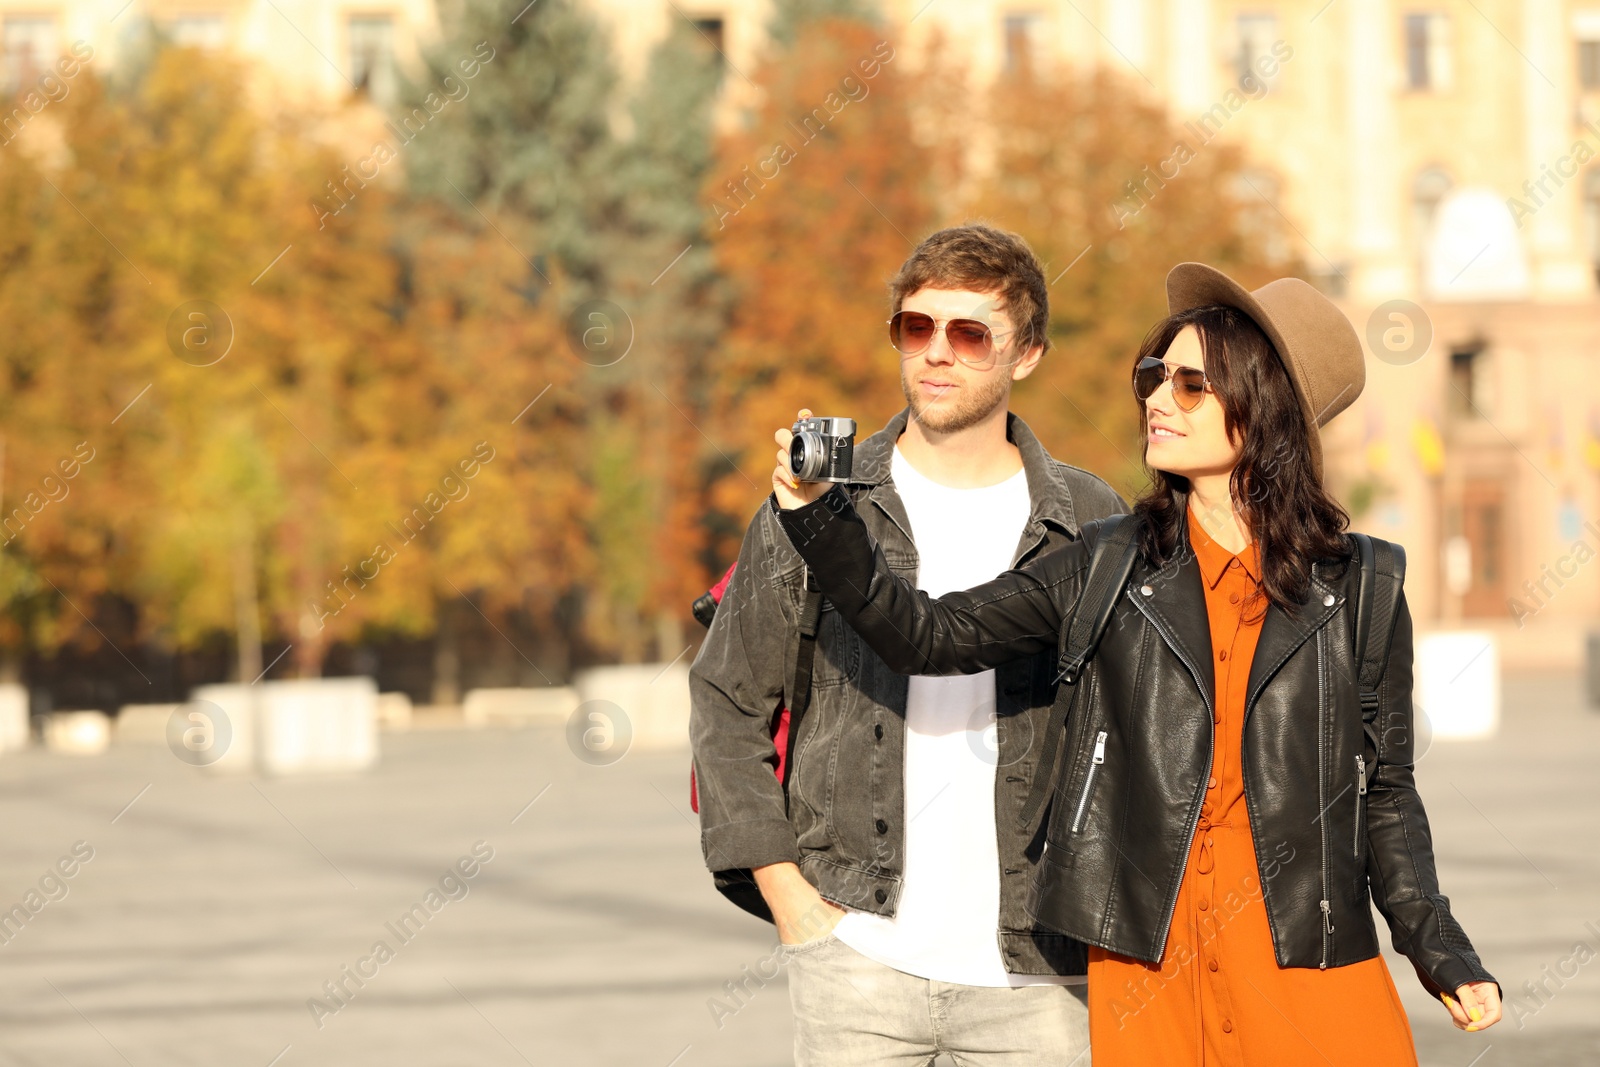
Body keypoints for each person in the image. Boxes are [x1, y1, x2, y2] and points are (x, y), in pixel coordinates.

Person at [768, 262, 1502, 1063]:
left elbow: (1387, 788)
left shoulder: (1364, 583)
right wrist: (822, 517)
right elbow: (929, 635)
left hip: (1306, 952)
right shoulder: (1107, 562)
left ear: (1265, 411)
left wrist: (1440, 946)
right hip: (1147, 957)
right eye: (1154, 375)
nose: (1155, 398)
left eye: (1191, 384)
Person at [689, 223, 1125, 1065]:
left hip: (1035, 973)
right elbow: (728, 697)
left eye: (969, 333)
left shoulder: (1085, 512)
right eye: (915, 327)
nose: (936, 353)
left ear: (1026, 353)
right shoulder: (821, 499)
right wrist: (794, 904)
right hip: (857, 954)